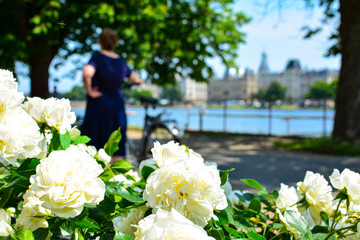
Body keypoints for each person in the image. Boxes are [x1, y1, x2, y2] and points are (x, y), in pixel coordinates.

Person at [80, 28, 142, 164]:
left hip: (99, 104)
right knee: (116, 145)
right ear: (115, 43)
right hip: (116, 105)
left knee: (92, 145)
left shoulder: (97, 57)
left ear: (99, 42)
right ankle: (117, 178)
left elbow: (87, 73)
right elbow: (134, 78)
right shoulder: (121, 61)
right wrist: (138, 81)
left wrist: (89, 91)